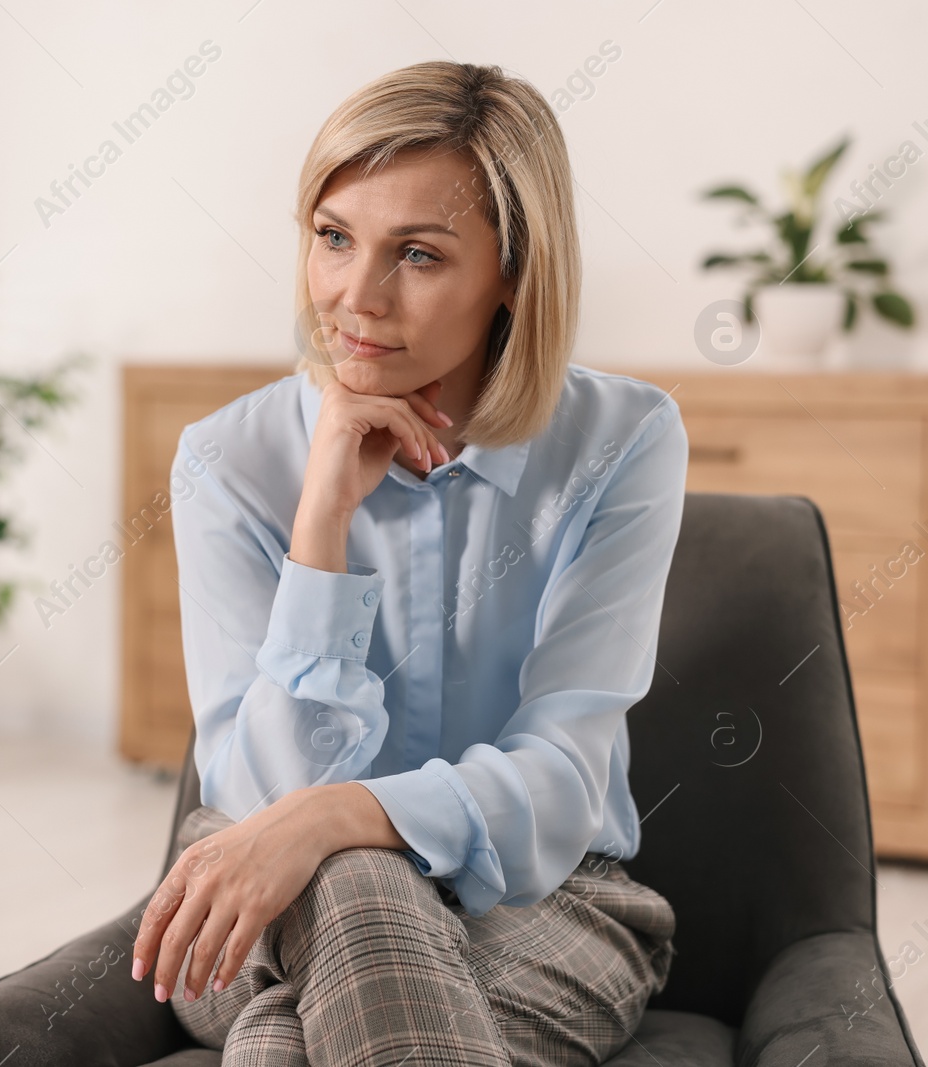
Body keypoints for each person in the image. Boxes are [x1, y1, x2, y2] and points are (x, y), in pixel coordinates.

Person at [132, 61, 687, 1066]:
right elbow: (266, 792)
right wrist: (322, 523)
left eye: (418, 255)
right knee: (349, 878)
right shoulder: (227, 459)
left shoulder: (625, 437)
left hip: (552, 891)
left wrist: (349, 814)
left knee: (292, 1031)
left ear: (514, 272)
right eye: (333, 237)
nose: (355, 296)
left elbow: (563, 775)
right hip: (257, 896)